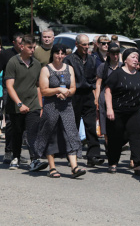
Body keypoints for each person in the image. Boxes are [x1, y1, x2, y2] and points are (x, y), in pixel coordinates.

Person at [34, 44, 86, 178]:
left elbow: (73, 88)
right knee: (51, 134)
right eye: (58, 53)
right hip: (51, 106)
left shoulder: (69, 68)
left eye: (63, 53)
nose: (60, 56)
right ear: (53, 54)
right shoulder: (46, 69)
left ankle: (74, 167)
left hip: (67, 106)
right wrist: (58, 90)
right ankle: (52, 167)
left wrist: (67, 92)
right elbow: (44, 90)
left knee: (71, 133)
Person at [4, 34, 48, 171]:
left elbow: (38, 86)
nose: (32, 50)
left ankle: (34, 159)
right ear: (22, 47)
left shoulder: (36, 64)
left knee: (32, 132)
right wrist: (19, 104)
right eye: (30, 47)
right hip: (16, 106)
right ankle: (15, 157)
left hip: (33, 104)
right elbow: (9, 86)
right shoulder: (13, 62)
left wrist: (40, 105)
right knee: (17, 133)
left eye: (34, 47)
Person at [105, 48, 140, 175]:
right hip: (118, 110)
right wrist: (109, 108)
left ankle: (137, 165)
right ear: (125, 60)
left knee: (136, 137)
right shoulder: (117, 73)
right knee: (116, 138)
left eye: (137, 58)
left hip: (134, 111)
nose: (136, 60)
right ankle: (113, 162)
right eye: (133, 57)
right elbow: (108, 91)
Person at [64, 34, 104, 167]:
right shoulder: (69, 60)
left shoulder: (92, 59)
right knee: (73, 127)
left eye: (88, 44)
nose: (87, 47)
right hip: (74, 95)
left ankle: (93, 155)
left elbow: (94, 81)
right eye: (84, 45)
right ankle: (72, 155)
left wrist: (95, 98)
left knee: (91, 126)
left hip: (88, 95)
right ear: (77, 45)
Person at [0, 32, 24, 164]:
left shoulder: (27, 54)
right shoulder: (5, 54)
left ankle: (17, 152)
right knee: (10, 122)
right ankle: (8, 152)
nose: (23, 46)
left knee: (22, 123)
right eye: (21, 44)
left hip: (24, 91)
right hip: (8, 90)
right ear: (14, 43)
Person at [94, 42, 122, 154]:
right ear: (109, 54)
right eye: (113, 54)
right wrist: (96, 99)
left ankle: (116, 144)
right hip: (104, 97)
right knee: (105, 123)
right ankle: (108, 145)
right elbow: (98, 83)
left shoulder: (122, 66)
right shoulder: (102, 67)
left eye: (117, 53)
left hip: (119, 97)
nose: (115, 56)